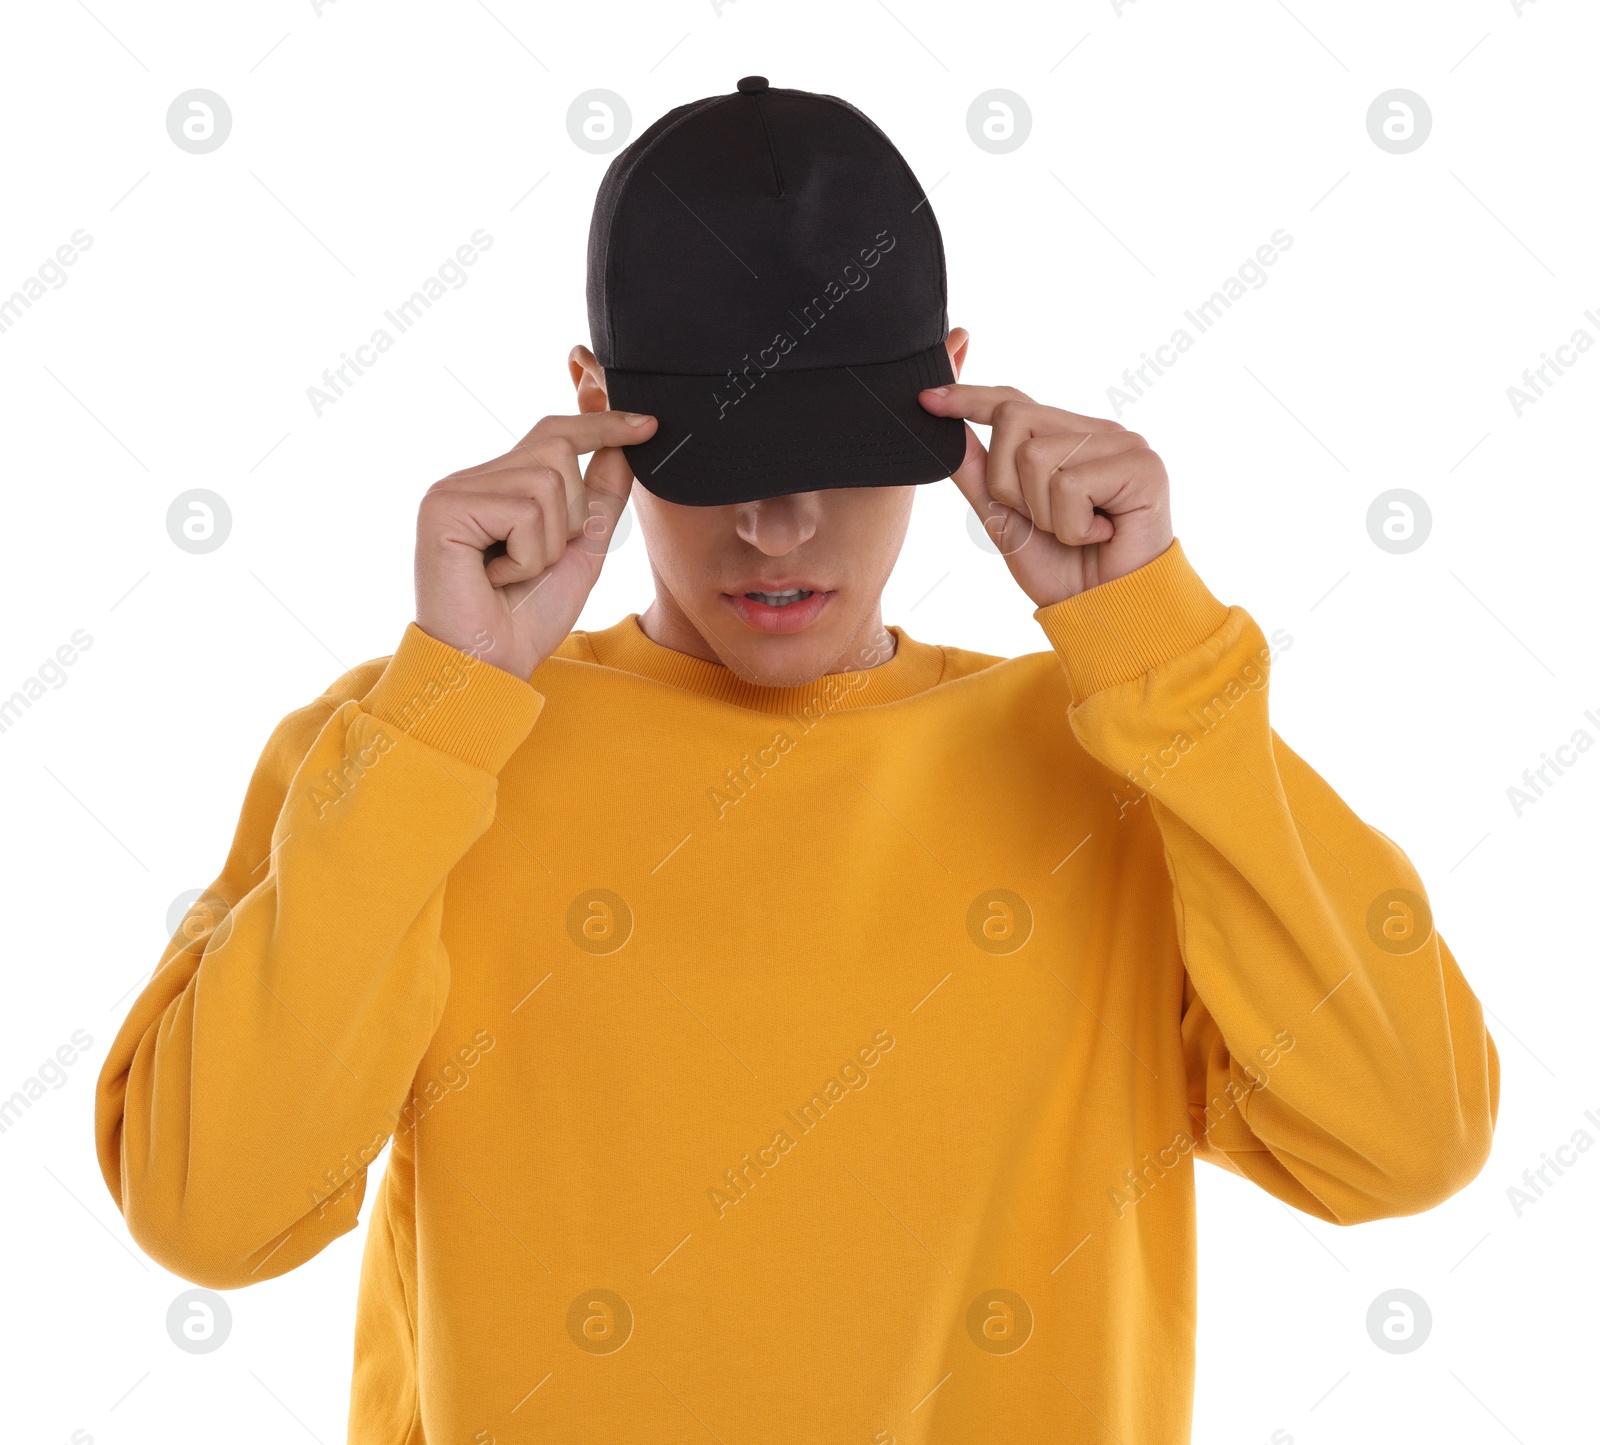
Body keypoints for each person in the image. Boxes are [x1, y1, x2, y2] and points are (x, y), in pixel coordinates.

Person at [95, 78, 1498, 1444]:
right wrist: (449, 701)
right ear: (592, 404)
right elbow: (211, 1212)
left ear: (952, 390)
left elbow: (1407, 1139)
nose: (778, 527)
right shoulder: (418, 751)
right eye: (718, 455)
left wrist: (1158, 645)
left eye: (833, 446)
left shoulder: (1117, 758)